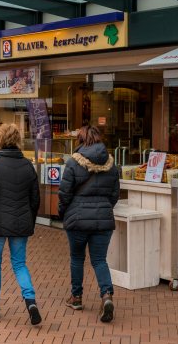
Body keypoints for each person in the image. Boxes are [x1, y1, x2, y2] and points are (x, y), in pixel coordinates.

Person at [0, 123, 41, 325]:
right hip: (21, 222)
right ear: (18, 141)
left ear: (0, 140)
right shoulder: (28, 166)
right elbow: (35, 199)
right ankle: (30, 301)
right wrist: (29, 219)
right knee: (19, 264)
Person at [58, 125, 120, 323]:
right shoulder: (111, 164)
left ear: (81, 140)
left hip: (76, 219)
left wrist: (63, 213)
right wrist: (104, 208)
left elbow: (64, 193)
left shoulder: (73, 163)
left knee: (77, 258)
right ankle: (106, 295)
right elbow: (114, 194)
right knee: (99, 260)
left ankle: (76, 298)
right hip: (103, 221)